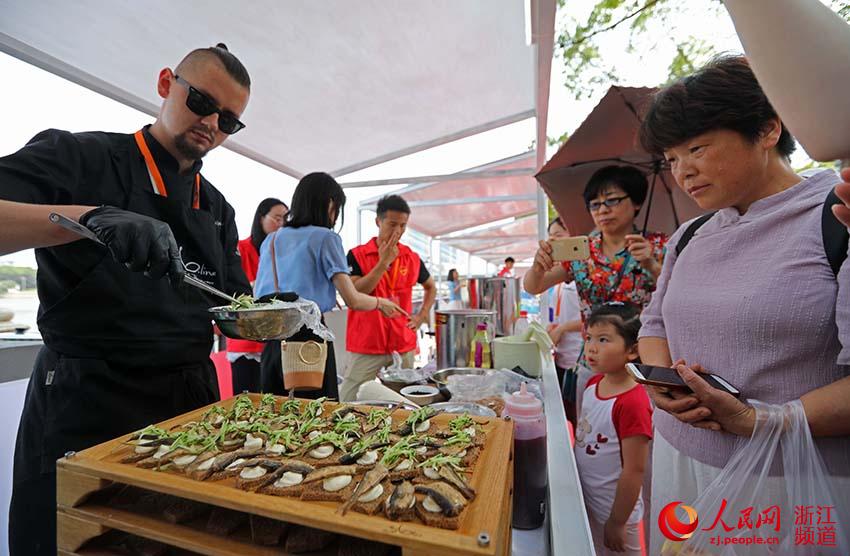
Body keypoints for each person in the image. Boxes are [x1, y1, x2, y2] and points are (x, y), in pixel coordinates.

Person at [0, 44, 252, 555]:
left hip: (187, 408)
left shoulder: (219, 208)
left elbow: (233, 309)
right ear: (166, 83)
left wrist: (270, 315)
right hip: (88, 399)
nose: (210, 122)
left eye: (228, 120)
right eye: (201, 100)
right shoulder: (81, 157)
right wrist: (85, 218)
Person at [637, 55, 850, 552]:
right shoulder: (689, 235)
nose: (683, 172)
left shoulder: (836, 218)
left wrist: (759, 421)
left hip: (789, 482)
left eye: (697, 148)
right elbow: (653, 323)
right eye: (671, 159)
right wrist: (662, 383)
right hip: (680, 459)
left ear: (768, 130)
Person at [524, 165, 667, 420]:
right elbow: (533, 287)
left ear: (635, 202)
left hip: (642, 359)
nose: (603, 210)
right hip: (594, 357)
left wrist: (652, 264)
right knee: (592, 431)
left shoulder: (657, 245)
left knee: (640, 433)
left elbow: (677, 293)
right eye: (595, 204)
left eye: (612, 200)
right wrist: (538, 265)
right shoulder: (582, 250)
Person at [254, 173, 405, 400]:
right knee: (316, 418)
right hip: (309, 341)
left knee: (276, 416)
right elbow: (353, 299)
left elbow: (260, 294)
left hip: (274, 341)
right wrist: (380, 303)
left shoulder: (272, 240)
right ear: (330, 204)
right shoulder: (325, 237)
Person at [339, 195, 436, 401]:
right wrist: (383, 263)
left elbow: (431, 287)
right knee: (349, 395)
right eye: (392, 224)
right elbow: (355, 293)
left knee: (404, 399)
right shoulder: (357, 255)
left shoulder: (412, 257)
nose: (398, 231)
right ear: (378, 221)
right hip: (366, 341)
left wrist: (421, 316)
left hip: (403, 340)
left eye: (403, 225)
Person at [574, 302, 652, 556]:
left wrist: (617, 522)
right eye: (589, 338)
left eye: (604, 340)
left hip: (616, 511)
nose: (592, 347)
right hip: (590, 500)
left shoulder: (633, 403)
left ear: (632, 350)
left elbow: (634, 470)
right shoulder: (594, 383)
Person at [226, 198, 288, 394]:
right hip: (246, 338)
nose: (281, 224)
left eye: (285, 220)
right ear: (261, 218)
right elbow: (235, 289)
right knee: (246, 402)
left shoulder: (283, 253)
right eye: (277, 218)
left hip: (275, 340)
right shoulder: (242, 248)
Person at [544, 217, 583, 421]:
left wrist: (564, 328)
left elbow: (595, 318)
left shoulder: (584, 272)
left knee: (579, 415)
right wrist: (554, 327)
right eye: (550, 236)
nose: (553, 241)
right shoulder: (560, 277)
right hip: (562, 356)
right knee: (567, 414)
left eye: (558, 236)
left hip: (580, 357)